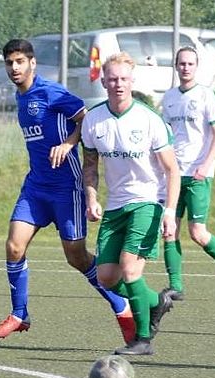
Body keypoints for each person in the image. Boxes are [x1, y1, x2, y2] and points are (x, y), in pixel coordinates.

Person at [0, 39, 135, 344]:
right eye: (9, 63)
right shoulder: (20, 95)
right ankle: (19, 314)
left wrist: (68, 144)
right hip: (36, 187)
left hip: (67, 188)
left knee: (76, 257)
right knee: (14, 246)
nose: (14, 68)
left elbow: (86, 118)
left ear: (32, 63)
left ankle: (121, 304)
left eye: (19, 61)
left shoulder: (50, 92)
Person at [81, 52, 181, 356]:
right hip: (115, 207)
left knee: (129, 268)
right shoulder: (94, 120)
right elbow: (90, 166)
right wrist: (92, 198)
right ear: (103, 81)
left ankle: (142, 339)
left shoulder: (149, 120)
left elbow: (172, 170)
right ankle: (156, 302)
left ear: (132, 81)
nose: (118, 84)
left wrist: (170, 212)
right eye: (113, 79)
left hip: (147, 202)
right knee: (106, 277)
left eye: (124, 79)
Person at [159, 46, 215, 301]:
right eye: (182, 63)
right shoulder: (169, 97)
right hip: (174, 173)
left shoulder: (205, 95)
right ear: (176, 66)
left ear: (196, 66)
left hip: (197, 174)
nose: (186, 67)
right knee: (169, 229)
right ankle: (176, 286)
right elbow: (164, 136)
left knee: (197, 232)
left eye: (190, 63)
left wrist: (206, 165)